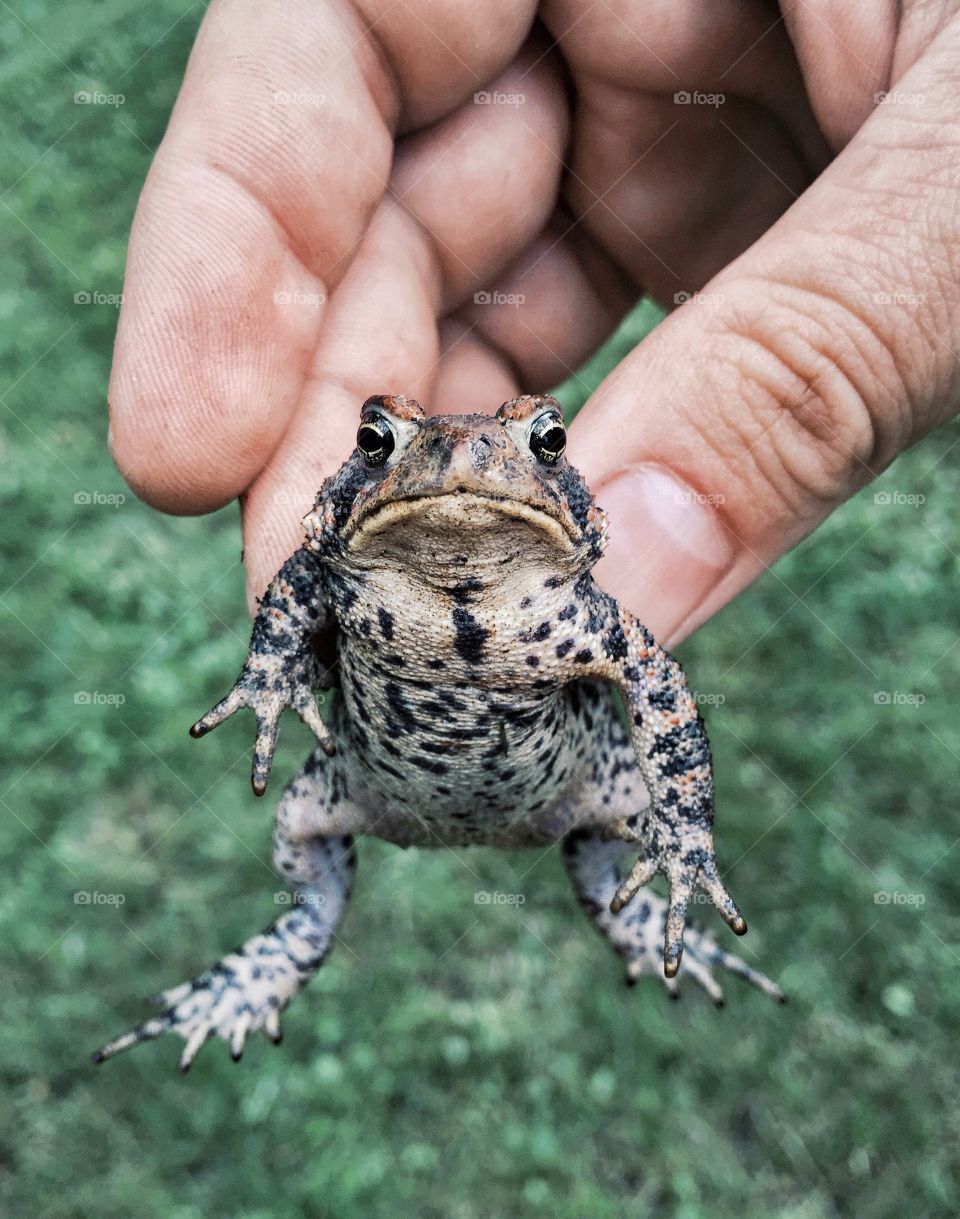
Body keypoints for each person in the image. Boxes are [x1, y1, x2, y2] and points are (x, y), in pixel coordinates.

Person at [108, 1, 960, 644]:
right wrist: (275, 673)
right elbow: (299, 586)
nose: (469, 463)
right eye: (378, 441)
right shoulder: (337, 551)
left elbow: (654, 690)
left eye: (544, 444)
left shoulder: (582, 569)